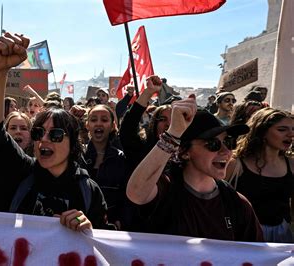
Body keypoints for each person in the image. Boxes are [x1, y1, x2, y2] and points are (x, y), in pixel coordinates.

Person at [0, 32, 107, 231]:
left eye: (55, 135)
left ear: (73, 143)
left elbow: (103, 245)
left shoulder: (88, 190)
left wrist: (89, 229)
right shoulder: (19, 172)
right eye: (38, 133)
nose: (44, 140)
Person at [126, 97, 264, 242]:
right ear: (185, 152)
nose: (226, 151)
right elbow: (136, 192)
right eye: (212, 144)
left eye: (229, 142)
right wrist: (174, 133)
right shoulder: (164, 189)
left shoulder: (236, 203)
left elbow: (256, 254)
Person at [226, 108, 294, 242]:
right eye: (282, 130)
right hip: (244, 236)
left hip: (282, 237)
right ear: (262, 132)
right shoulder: (235, 164)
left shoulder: (292, 165)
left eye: (293, 129)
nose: (291, 134)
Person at [83, 104, 128, 229]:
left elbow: (126, 196)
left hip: (111, 227)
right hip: (80, 226)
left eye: (104, 120)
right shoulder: (77, 157)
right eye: (93, 120)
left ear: (113, 126)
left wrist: (121, 220)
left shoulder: (121, 158)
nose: (98, 124)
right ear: (87, 125)